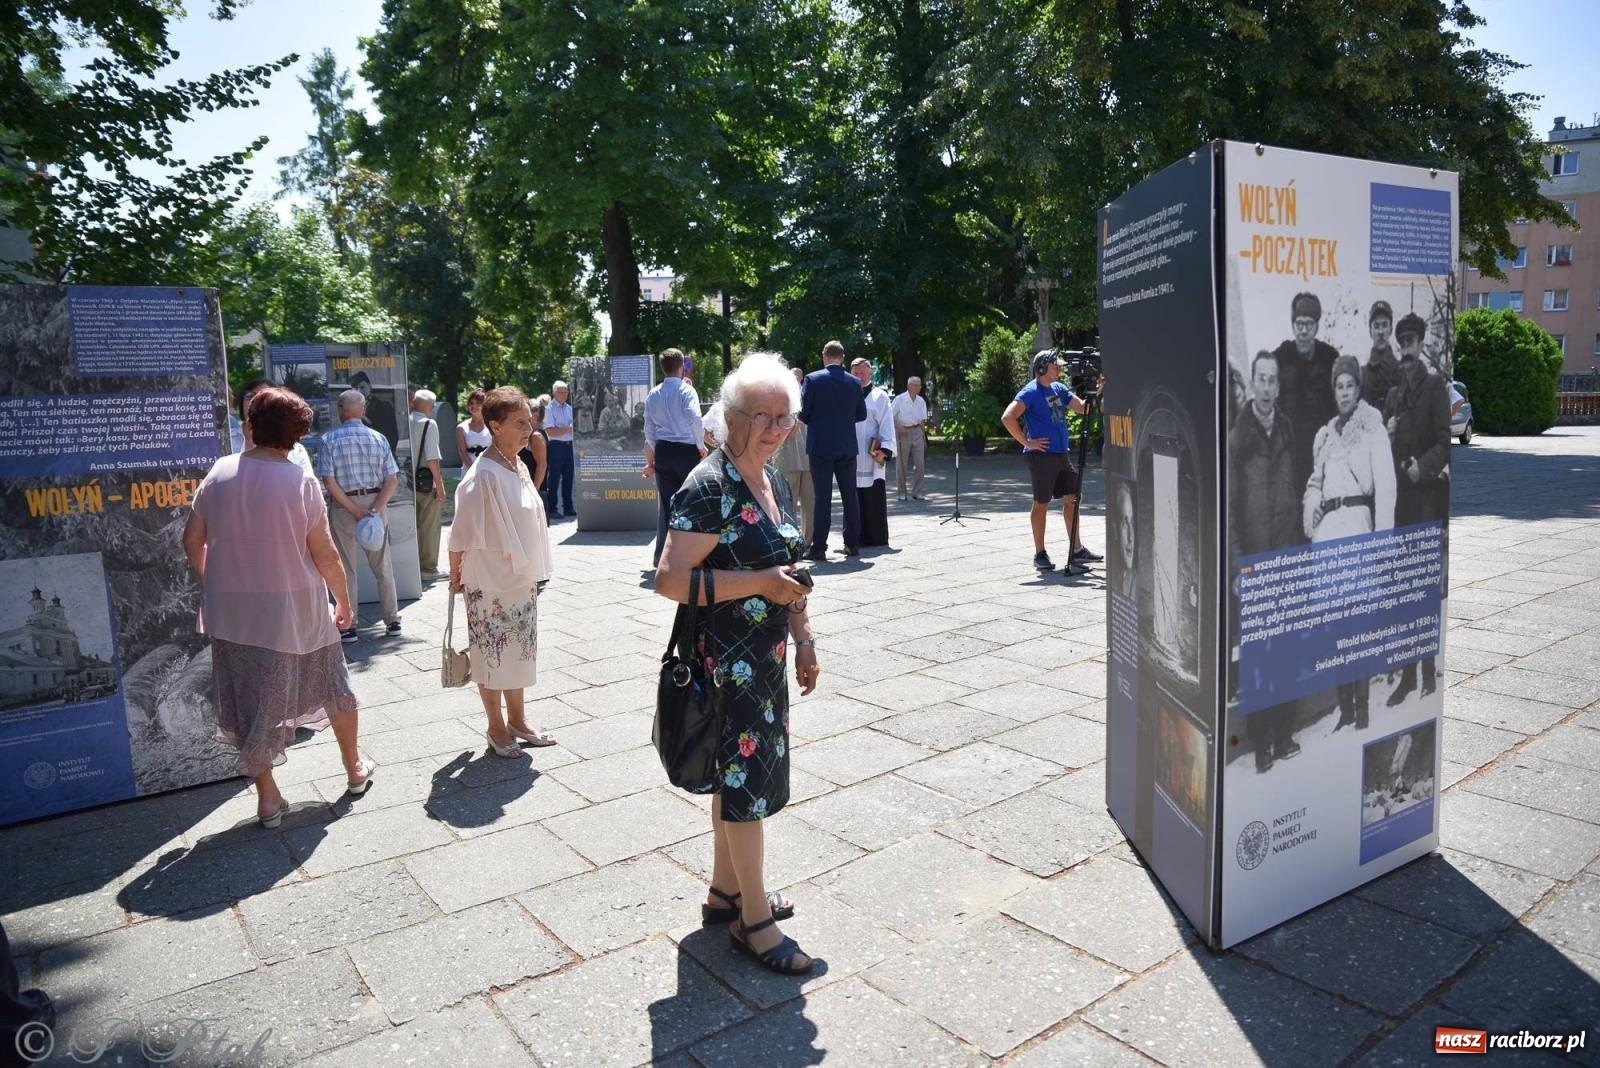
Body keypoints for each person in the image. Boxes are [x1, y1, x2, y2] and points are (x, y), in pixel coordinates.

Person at [655, 352, 818, 975]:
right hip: (725, 663)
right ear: (728, 418)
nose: (775, 429)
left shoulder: (768, 479)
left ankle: (725, 894)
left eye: (784, 417)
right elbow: (670, 580)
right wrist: (758, 584)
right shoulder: (709, 485)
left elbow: (789, 572)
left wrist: (803, 636)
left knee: (737, 777)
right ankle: (754, 919)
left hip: (765, 658)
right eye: (761, 417)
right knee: (746, 785)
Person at [184, 386, 371, 825]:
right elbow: (324, 552)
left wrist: (217, 581)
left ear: (250, 426)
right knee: (334, 686)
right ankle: (354, 768)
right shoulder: (299, 480)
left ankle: (268, 798)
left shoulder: (219, 472)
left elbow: (191, 539)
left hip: (232, 613)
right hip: (295, 607)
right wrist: (343, 600)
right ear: (298, 436)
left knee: (251, 702)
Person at [449, 387, 558, 756]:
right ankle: (496, 727)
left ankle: (519, 719)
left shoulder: (517, 463)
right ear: (494, 426)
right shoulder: (482, 475)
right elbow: (459, 533)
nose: (529, 428)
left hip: (520, 577)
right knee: (491, 652)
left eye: (529, 420)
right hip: (489, 578)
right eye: (519, 422)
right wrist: (455, 576)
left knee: (520, 650)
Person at [1306, 355, 1397, 731]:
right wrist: (1311, 512)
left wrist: (1383, 543)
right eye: (1338, 387)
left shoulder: (1373, 429)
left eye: (1349, 386)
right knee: (1335, 628)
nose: (1344, 392)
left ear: (1358, 389)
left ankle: (1362, 710)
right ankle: (1345, 710)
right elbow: (1315, 482)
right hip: (1329, 535)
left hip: (1358, 530)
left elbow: (1387, 488)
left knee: (1357, 627)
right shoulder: (1325, 435)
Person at [1228, 351, 1303, 772]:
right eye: (1262, 379)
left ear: (1278, 386)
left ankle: (1284, 733)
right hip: (1255, 561)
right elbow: (1231, 511)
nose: (1268, 386)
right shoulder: (1239, 438)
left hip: (1286, 556)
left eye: (1273, 379)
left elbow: (1294, 488)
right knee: (1258, 655)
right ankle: (1261, 744)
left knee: (1286, 651)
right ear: (1253, 384)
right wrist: (1239, 566)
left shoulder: (1288, 428)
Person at [1384, 312, 1450, 707]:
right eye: (1402, 342)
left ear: (1422, 344)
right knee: (1401, 593)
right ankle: (1407, 676)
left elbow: (1446, 443)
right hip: (1400, 507)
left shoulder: (1435, 387)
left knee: (1422, 590)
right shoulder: (1394, 396)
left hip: (1424, 502)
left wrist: (1420, 467)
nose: (1406, 349)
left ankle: (1426, 674)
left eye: (1412, 342)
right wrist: (1388, 435)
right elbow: (1384, 453)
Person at [1000, 350, 1101, 573]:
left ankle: (1077, 549)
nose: (1061, 369)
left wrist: (1098, 389)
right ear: (1043, 368)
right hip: (1041, 457)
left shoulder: (1059, 388)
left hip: (1060, 454)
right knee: (1041, 503)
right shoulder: (1030, 392)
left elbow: (1084, 408)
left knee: (1073, 497)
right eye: (1056, 366)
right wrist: (1027, 441)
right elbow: (1007, 417)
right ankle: (1040, 553)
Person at [317, 388, 401, 642]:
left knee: (346, 569)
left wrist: (354, 510)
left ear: (340, 410)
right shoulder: (378, 438)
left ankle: (349, 625)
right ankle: (393, 621)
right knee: (383, 566)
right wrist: (374, 510)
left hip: (345, 506)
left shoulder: (328, 440)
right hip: (376, 502)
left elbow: (329, 482)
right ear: (363, 410)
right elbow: (392, 479)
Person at [798, 340, 866, 560]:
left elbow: (803, 413)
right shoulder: (855, 382)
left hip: (821, 446)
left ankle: (819, 547)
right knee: (850, 496)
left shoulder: (812, 379)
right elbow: (861, 415)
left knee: (822, 497)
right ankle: (852, 544)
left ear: (824, 355)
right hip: (847, 445)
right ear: (843, 358)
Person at [642, 347, 707, 568]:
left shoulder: (653, 393)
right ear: (682, 367)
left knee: (667, 506)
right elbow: (694, 419)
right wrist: (701, 446)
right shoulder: (687, 391)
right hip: (686, 450)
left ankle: (662, 555)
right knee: (690, 503)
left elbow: (648, 429)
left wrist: (652, 456)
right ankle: (689, 556)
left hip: (663, 450)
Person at [1272, 292, 1340, 488]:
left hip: (1322, 455)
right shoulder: (1281, 357)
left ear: (1317, 326)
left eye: (1308, 324)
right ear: (1293, 326)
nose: (1303, 331)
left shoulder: (1329, 358)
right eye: (1299, 324)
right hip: (1288, 454)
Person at [851, 357, 897, 547]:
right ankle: (854, 536)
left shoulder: (880, 396)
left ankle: (876, 537)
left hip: (872, 450)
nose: (860, 376)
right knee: (851, 495)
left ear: (870, 372)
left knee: (873, 494)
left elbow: (887, 423)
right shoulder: (847, 393)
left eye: (863, 372)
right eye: (856, 373)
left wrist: (885, 448)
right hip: (851, 451)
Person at [239, 378, 315, 480]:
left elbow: (307, 487)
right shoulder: (224, 441)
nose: (256, 401)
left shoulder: (296, 450)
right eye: (251, 396)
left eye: (265, 397)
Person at [775, 366, 814, 544]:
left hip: (809, 458)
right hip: (787, 460)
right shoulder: (780, 403)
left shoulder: (810, 401)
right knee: (787, 505)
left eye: (799, 380)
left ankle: (808, 541)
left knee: (810, 504)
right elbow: (788, 433)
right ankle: (789, 542)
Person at [410, 388, 446, 576]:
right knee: (429, 526)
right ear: (432, 407)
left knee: (412, 525)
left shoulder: (404, 422)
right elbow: (432, 458)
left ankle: (412, 565)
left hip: (405, 483)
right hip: (425, 483)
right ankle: (428, 567)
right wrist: (439, 486)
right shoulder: (429, 424)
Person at [890, 375, 930, 501]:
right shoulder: (899, 399)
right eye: (914, 384)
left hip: (917, 430)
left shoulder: (921, 401)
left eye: (919, 385)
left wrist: (923, 437)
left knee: (920, 464)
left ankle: (918, 492)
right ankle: (901, 492)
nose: (917, 387)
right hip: (903, 432)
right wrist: (898, 427)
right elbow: (890, 416)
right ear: (908, 386)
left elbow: (923, 420)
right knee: (902, 464)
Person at [349, 371, 399, 455]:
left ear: (370, 386)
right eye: (356, 388)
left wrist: (365, 420)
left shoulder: (383, 406)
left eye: (362, 387)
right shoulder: (350, 409)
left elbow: (391, 436)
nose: (359, 391)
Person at [545, 380, 576, 518]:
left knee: (569, 478)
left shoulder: (570, 408)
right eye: (560, 392)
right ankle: (552, 508)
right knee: (554, 479)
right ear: (554, 393)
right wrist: (569, 429)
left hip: (570, 446)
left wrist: (564, 429)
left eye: (565, 392)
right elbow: (551, 431)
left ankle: (568, 508)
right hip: (556, 446)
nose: (563, 394)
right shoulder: (549, 409)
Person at [1363, 300, 1400, 411]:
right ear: (1370, 331)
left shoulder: (1401, 372)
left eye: (1384, 325)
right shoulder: (1362, 375)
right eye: (1376, 326)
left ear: (1391, 330)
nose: (1380, 332)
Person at [518, 395, 551, 495]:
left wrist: (534, 491)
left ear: (535, 415)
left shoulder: (536, 435)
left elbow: (542, 465)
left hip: (535, 491)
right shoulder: (530, 433)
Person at [456, 388, 491, 471]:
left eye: (478, 403)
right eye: (471, 403)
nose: (474, 406)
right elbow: (463, 453)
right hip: (468, 470)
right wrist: (473, 471)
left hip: (488, 469)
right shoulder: (461, 428)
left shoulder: (491, 426)